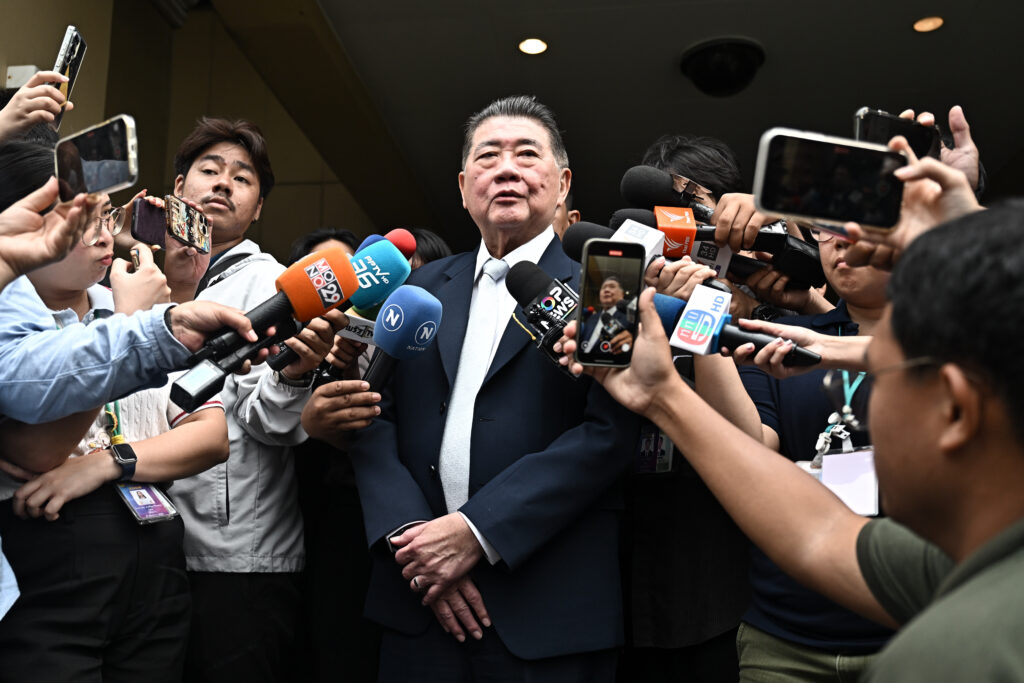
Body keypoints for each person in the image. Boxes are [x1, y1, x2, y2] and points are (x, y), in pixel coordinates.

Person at [558, 192, 1024, 681]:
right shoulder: (942, 567)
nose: (841, 241)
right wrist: (666, 387)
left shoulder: (963, 645)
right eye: (826, 228)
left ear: (956, 404)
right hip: (787, 626)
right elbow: (818, 533)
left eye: (886, 373)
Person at [347, 95, 639, 681]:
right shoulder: (419, 287)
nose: (506, 169)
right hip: (418, 601)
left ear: (563, 184)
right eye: (487, 156)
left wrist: (476, 533)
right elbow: (371, 414)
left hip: (548, 609)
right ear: (463, 188)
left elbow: (612, 431)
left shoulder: (607, 287)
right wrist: (415, 543)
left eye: (526, 154)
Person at [0, 176, 228, 679]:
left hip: (153, 540)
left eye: (107, 217)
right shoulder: (20, 323)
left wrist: (107, 463)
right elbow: (36, 451)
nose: (105, 236)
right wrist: (128, 324)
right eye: (83, 222)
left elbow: (213, 434)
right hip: (47, 548)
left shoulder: (131, 300)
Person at [159, 117, 345, 682]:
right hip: (150, 545)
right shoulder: (141, 276)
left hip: (237, 558)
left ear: (258, 207)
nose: (223, 184)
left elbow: (271, 420)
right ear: (178, 187)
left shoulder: (272, 285)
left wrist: (293, 376)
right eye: (209, 171)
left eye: (241, 178)